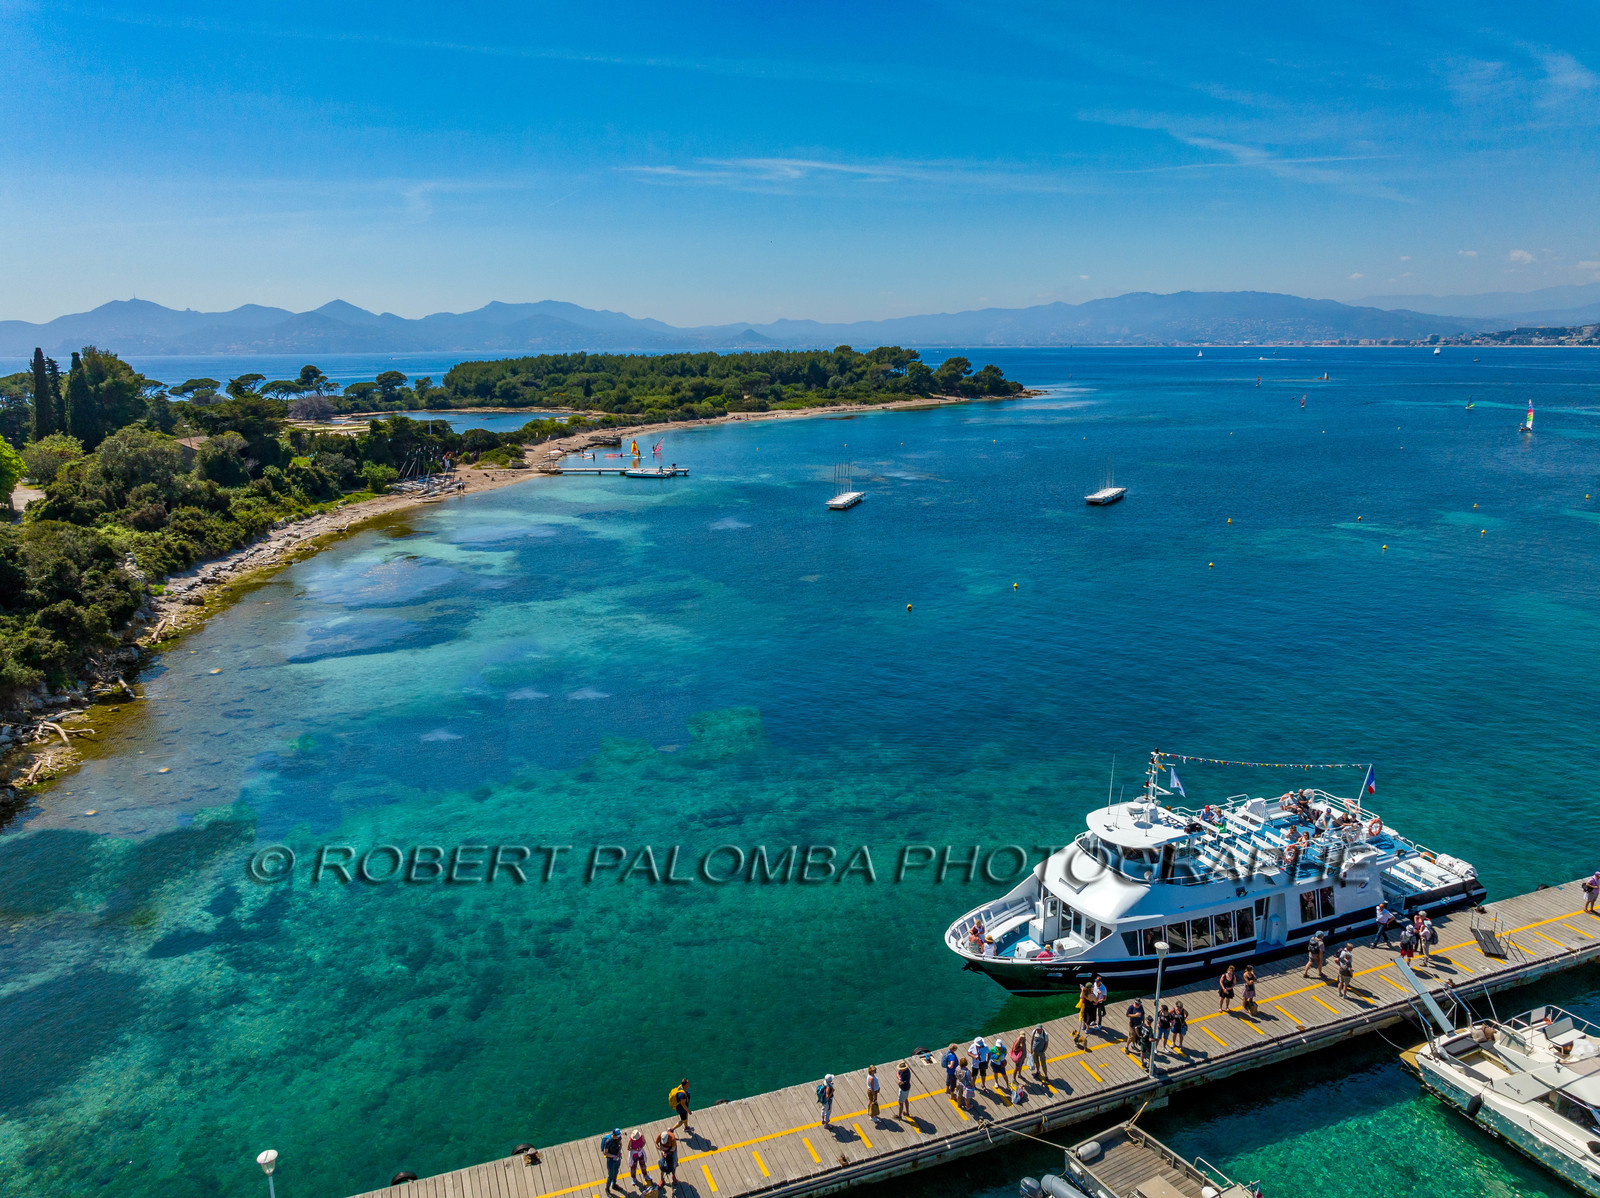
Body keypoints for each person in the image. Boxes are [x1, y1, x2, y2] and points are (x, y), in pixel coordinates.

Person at [600, 1127, 623, 1194]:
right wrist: (614, 1156)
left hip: (617, 1158)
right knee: (610, 1175)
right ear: (614, 1134)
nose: (618, 1137)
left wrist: (619, 1151)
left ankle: (614, 1185)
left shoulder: (618, 1138)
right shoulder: (608, 1141)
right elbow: (605, 1153)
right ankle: (607, 1189)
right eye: (617, 1136)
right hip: (611, 1160)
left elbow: (620, 1144)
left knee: (616, 1171)